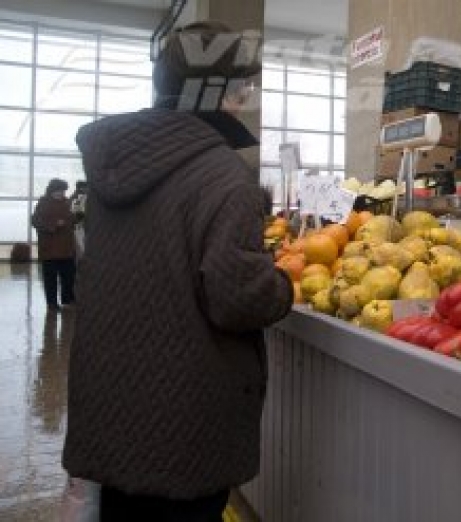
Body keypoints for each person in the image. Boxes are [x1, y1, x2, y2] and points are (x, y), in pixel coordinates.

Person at [62, 21, 294, 522]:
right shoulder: (222, 173)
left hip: (112, 406)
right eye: (244, 86)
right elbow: (237, 298)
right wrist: (280, 283)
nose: (249, 96)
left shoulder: (113, 166)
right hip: (184, 420)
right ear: (223, 93)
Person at [31, 178, 77, 312]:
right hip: (49, 248)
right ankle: (52, 303)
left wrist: (75, 218)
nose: (61, 193)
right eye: (59, 191)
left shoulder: (67, 203)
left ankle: (67, 299)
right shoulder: (43, 202)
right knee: (50, 278)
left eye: (63, 191)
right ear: (51, 190)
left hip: (66, 248)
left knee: (69, 275)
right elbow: (35, 221)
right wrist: (53, 225)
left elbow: (71, 219)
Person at [70, 180, 88, 259]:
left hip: (81, 226)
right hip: (79, 226)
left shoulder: (75, 197)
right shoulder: (76, 198)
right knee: (81, 247)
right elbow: (75, 212)